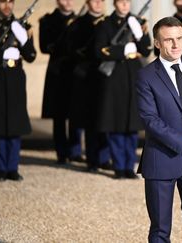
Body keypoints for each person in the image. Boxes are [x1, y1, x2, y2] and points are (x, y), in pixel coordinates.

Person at [136, 17, 182, 242]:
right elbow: (150, 120)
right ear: (157, 43)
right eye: (169, 40)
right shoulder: (146, 75)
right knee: (160, 230)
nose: (176, 44)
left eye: (179, 38)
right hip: (161, 160)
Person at [94, 0, 151, 179]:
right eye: (121, 2)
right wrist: (122, 50)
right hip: (115, 78)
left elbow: (147, 50)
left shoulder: (138, 22)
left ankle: (129, 166)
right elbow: (99, 50)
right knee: (117, 123)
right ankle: (119, 166)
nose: (125, 5)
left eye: (127, 2)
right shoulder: (106, 24)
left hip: (133, 76)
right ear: (115, 4)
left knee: (132, 124)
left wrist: (139, 35)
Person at [0, 0, 37, 181]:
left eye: (10, 1)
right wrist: (0, 55)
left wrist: (23, 39)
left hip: (15, 79)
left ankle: (12, 167)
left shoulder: (22, 26)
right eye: (2, 1)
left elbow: (31, 55)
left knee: (15, 125)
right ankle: (0, 168)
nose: (7, 5)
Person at [66, 0, 111, 172]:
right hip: (87, 77)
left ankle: (105, 157)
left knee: (106, 118)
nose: (98, 3)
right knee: (91, 119)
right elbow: (72, 49)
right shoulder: (78, 24)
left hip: (106, 76)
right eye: (95, 0)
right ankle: (93, 159)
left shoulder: (109, 22)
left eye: (101, 0)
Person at [39, 0, 84, 164]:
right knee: (59, 115)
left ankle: (75, 150)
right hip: (58, 72)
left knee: (75, 112)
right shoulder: (48, 20)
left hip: (75, 71)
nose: (69, 2)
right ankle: (61, 151)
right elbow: (45, 46)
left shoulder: (80, 20)